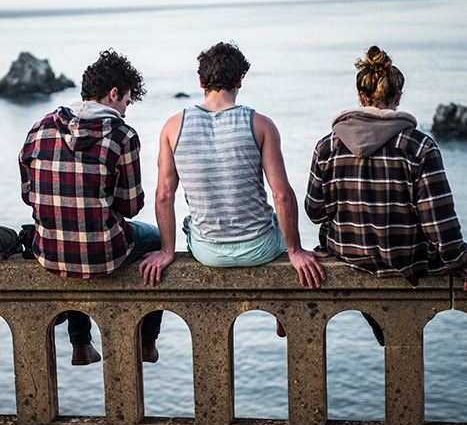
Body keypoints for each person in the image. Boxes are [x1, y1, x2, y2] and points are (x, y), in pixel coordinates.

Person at [139, 42, 327, 338]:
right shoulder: (260, 124)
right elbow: (282, 196)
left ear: (201, 82)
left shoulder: (173, 127)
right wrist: (295, 250)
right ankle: (281, 313)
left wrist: (166, 251)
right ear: (240, 81)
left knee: (195, 224)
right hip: (260, 247)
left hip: (206, 252)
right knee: (276, 226)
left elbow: (164, 195)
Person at [305, 45, 467, 344]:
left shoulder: (327, 146)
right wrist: (460, 263)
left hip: (349, 253)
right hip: (407, 257)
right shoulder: (419, 146)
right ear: (398, 97)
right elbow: (439, 224)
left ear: (361, 97)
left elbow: (315, 212)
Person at [19, 49, 163, 365]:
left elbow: (29, 194)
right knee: (157, 241)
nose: (125, 111)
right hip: (104, 255)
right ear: (114, 94)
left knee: (68, 232)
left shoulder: (40, 127)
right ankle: (147, 341)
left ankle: (80, 344)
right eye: (126, 101)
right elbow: (131, 205)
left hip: (48, 251)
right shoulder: (122, 134)